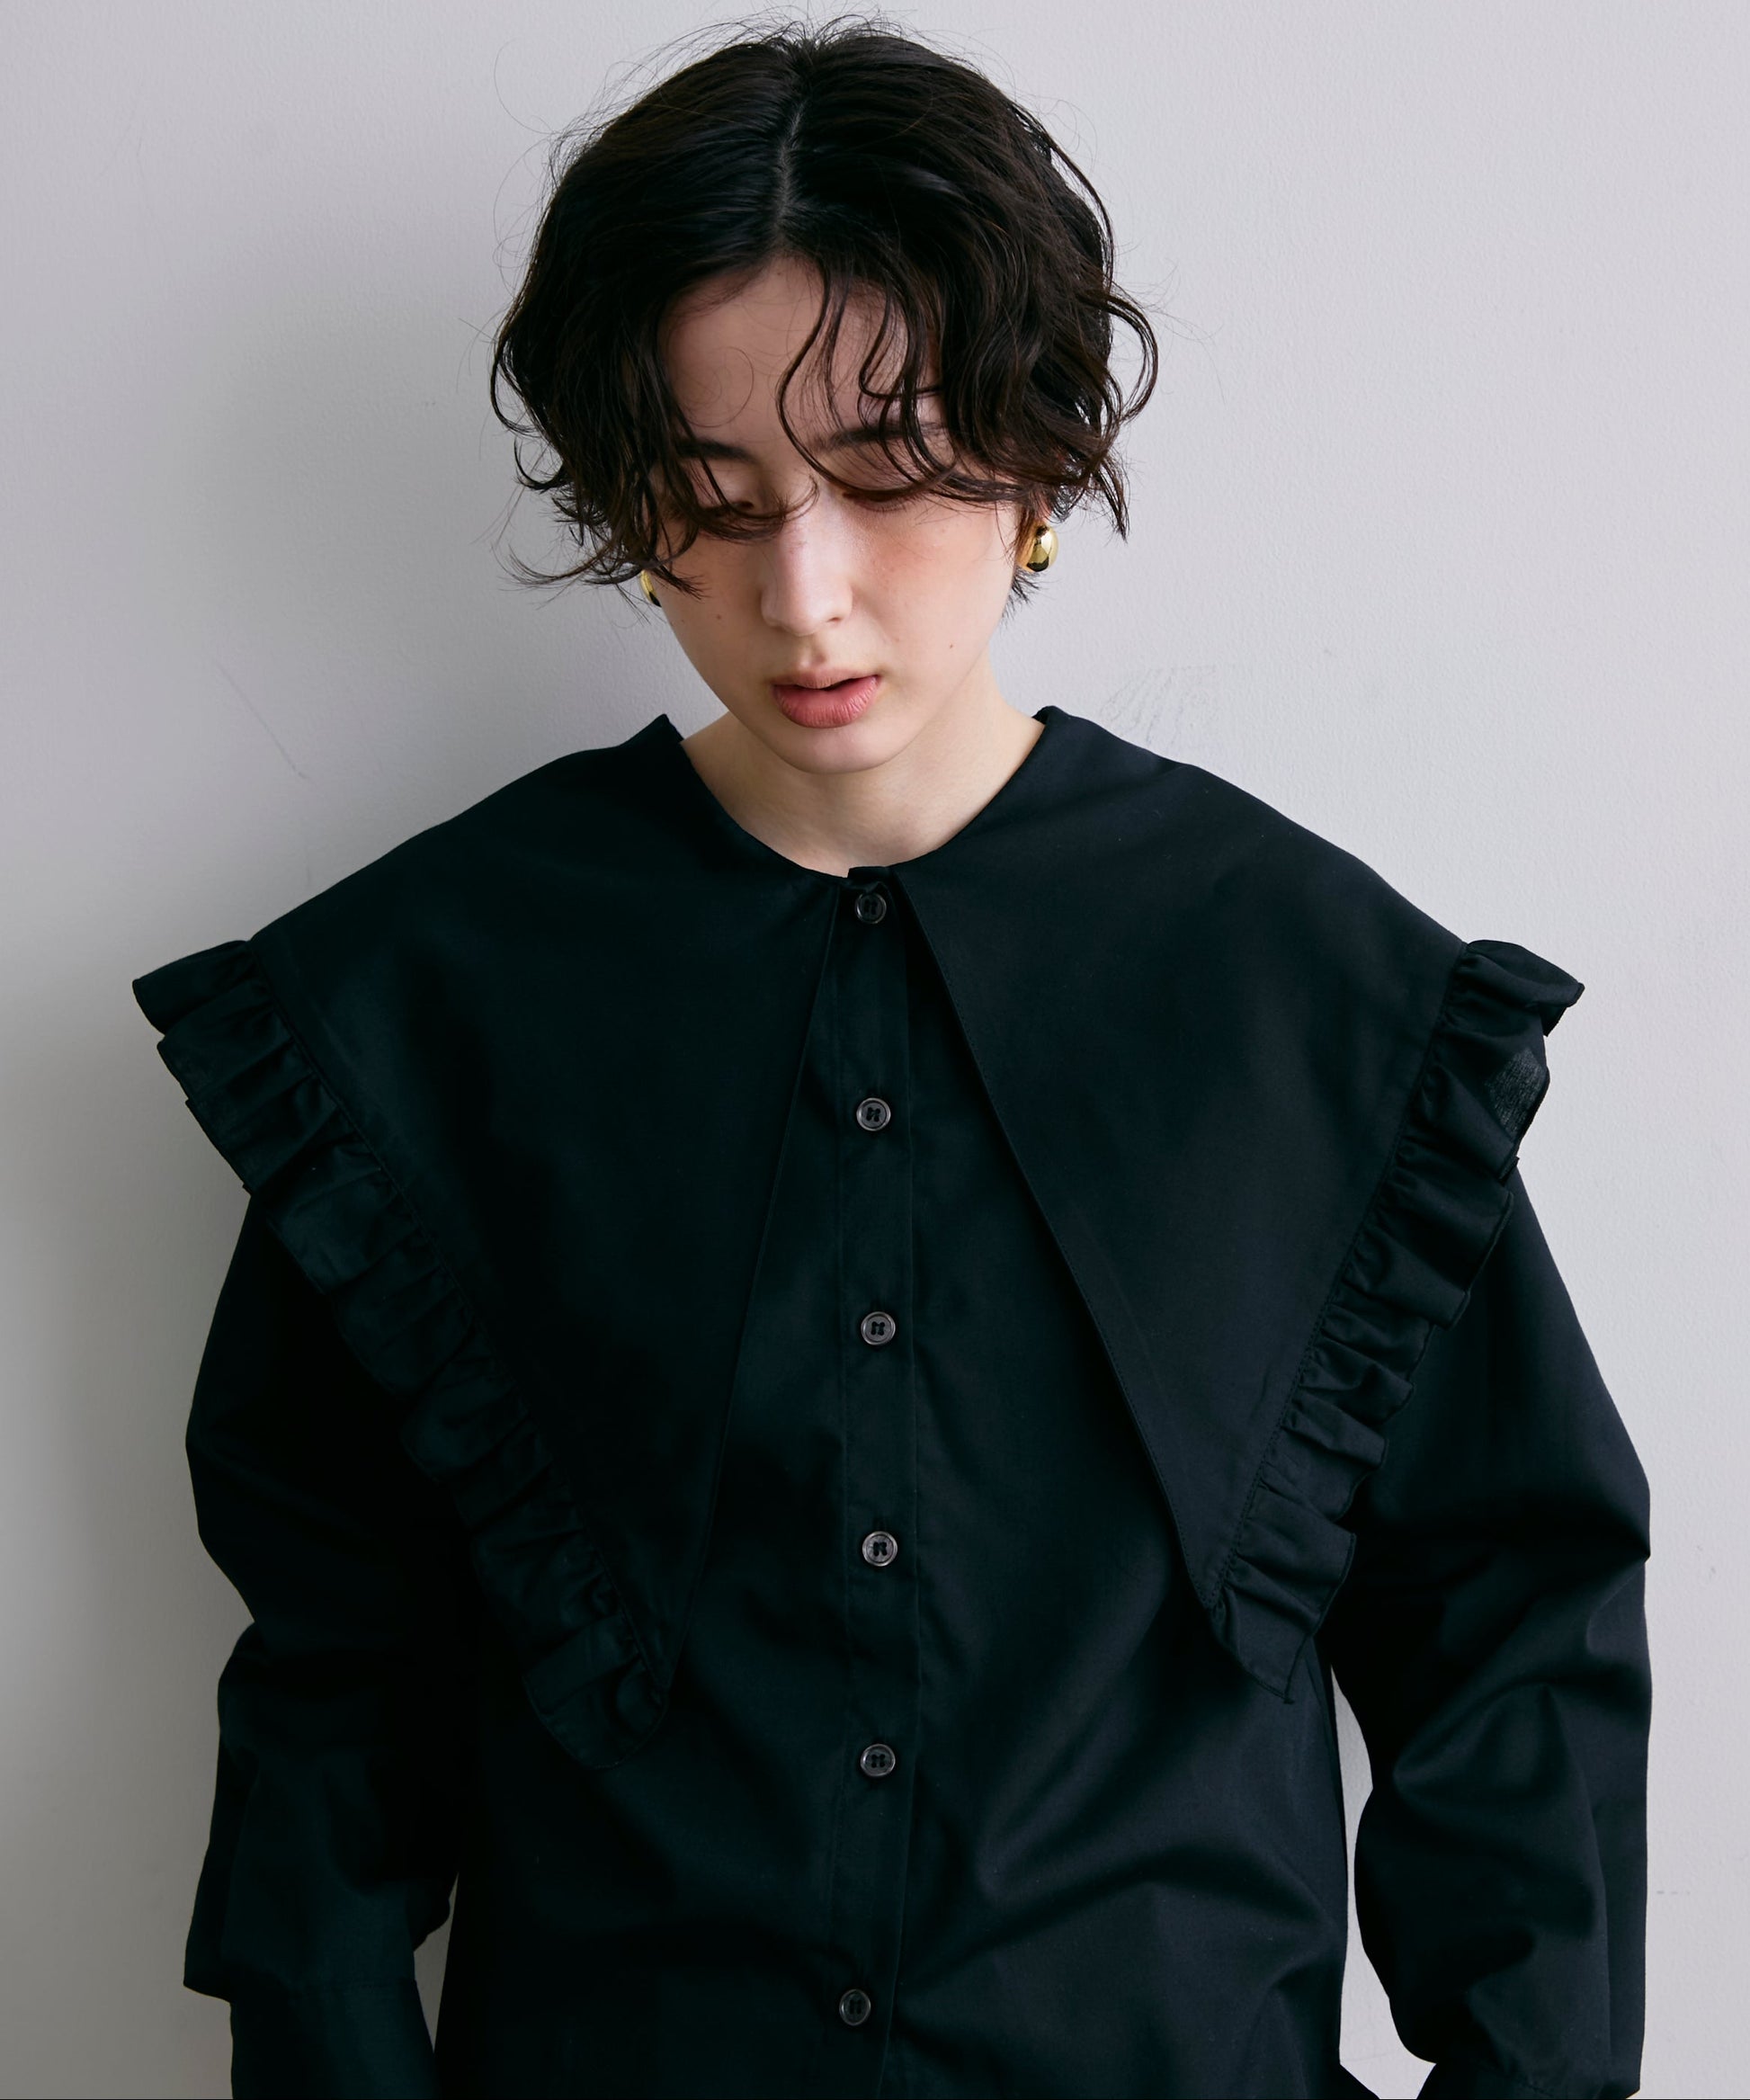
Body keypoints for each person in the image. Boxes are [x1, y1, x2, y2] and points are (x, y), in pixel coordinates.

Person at [132, 19, 1651, 2100]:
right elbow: (331, 1680)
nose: (805, 595)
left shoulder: (1308, 993)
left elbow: (1512, 1623)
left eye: (883, 478)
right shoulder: (431, 1003)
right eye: (714, 501)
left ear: (1032, 459)